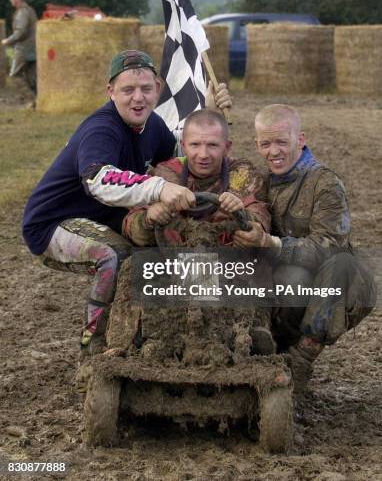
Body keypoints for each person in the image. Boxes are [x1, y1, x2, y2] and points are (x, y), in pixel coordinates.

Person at [22, 49, 232, 357]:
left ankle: (168, 334)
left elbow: (184, 154)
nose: (138, 98)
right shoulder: (101, 129)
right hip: (53, 224)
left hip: (104, 220)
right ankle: (92, 349)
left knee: (157, 249)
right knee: (114, 257)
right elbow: (98, 179)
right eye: (127, 90)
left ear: (157, 89)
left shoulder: (153, 125)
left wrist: (210, 116)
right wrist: (158, 188)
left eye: (146, 89)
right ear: (110, 92)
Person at [233, 104, 376, 392]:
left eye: (282, 142)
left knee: (343, 265)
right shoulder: (257, 182)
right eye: (265, 144)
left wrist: (271, 243)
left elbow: (327, 248)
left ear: (301, 139)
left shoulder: (324, 183)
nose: (274, 151)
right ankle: (255, 344)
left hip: (319, 289)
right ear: (257, 144)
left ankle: (300, 359)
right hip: (273, 292)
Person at [123, 108, 276, 354]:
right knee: (133, 266)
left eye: (212, 145)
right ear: (183, 145)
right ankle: (131, 338)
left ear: (227, 146)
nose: (203, 154)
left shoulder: (243, 174)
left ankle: (254, 331)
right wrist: (150, 218)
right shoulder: (163, 175)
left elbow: (260, 220)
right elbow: (132, 228)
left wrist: (245, 216)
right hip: (172, 267)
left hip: (228, 269)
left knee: (261, 261)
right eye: (195, 145)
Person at [1, 0, 37, 93]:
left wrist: (6, 41)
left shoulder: (22, 12)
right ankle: (35, 101)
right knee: (32, 80)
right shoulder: (30, 10)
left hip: (23, 50)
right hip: (33, 49)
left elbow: (20, 32)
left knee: (13, 76)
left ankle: (24, 98)